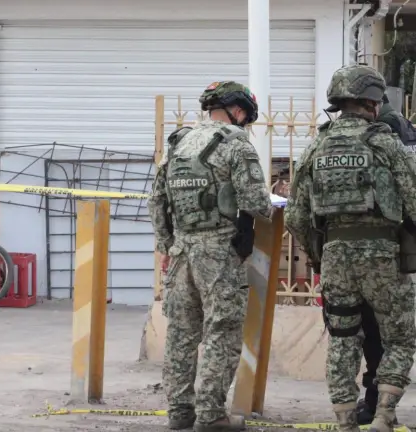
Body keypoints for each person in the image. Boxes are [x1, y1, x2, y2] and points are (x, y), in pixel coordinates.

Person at [285, 64, 416, 432]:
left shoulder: (316, 146)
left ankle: (344, 421)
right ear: (373, 102)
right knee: (400, 336)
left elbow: (295, 216)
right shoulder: (384, 142)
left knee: (343, 337)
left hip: (335, 255)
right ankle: (384, 415)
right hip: (382, 255)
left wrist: (317, 257)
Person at [148, 81, 272, 432]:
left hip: (181, 251)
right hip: (218, 253)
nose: (245, 121)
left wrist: (166, 246)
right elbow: (257, 203)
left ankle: (180, 412)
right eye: (245, 114)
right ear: (236, 110)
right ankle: (211, 414)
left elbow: (156, 201)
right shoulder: (235, 144)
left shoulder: (177, 143)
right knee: (222, 330)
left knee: (182, 334)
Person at [356, 93, 416, 425]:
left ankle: (377, 403)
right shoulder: (403, 129)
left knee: (379, 332)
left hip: (383, 243)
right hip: (396, 244)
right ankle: (379, 404)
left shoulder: (386, 130)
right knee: (388, 332)